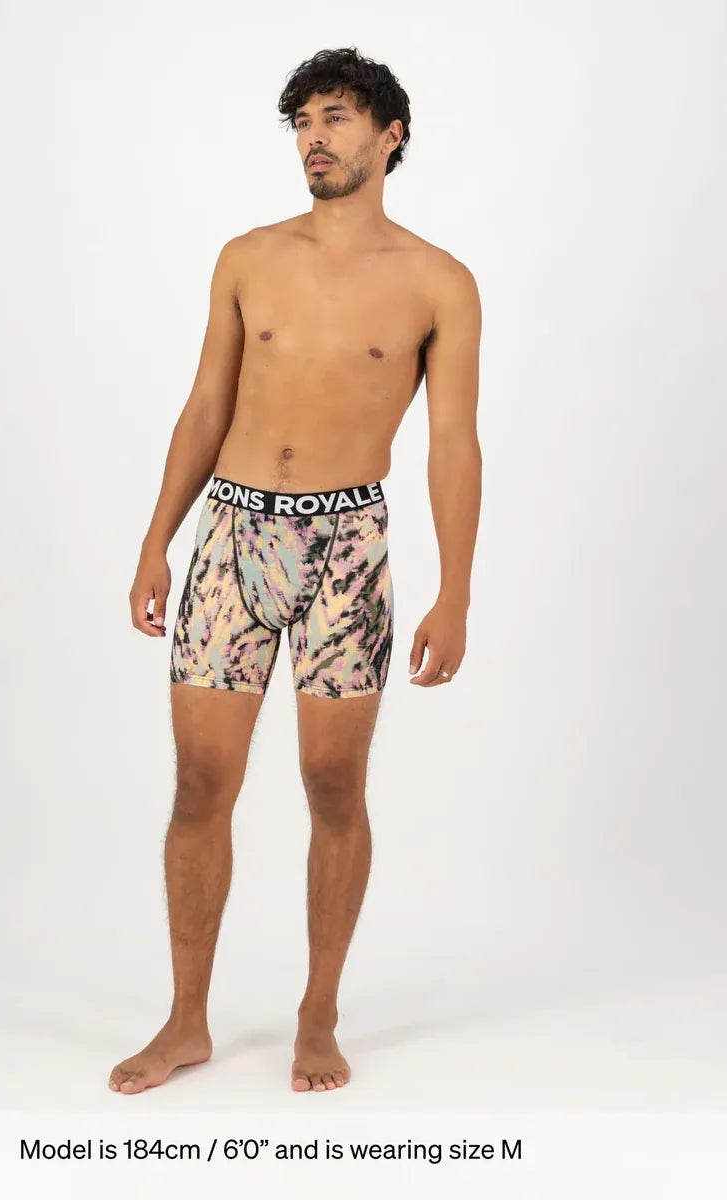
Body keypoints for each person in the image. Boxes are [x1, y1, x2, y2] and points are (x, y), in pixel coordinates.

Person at [111, 46, 482, 1096]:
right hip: (231, 539)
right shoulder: (247, 257)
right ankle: (187, 1020)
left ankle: (319, 1015)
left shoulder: (439, 282)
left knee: (332, 786)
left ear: (389, 137)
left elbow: (453, 444)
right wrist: (156, 538)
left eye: (335, 119)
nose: (314, 139)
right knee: (201, 782)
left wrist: (456, 592)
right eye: (303, 123)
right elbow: (206, 405)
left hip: (347, 553)